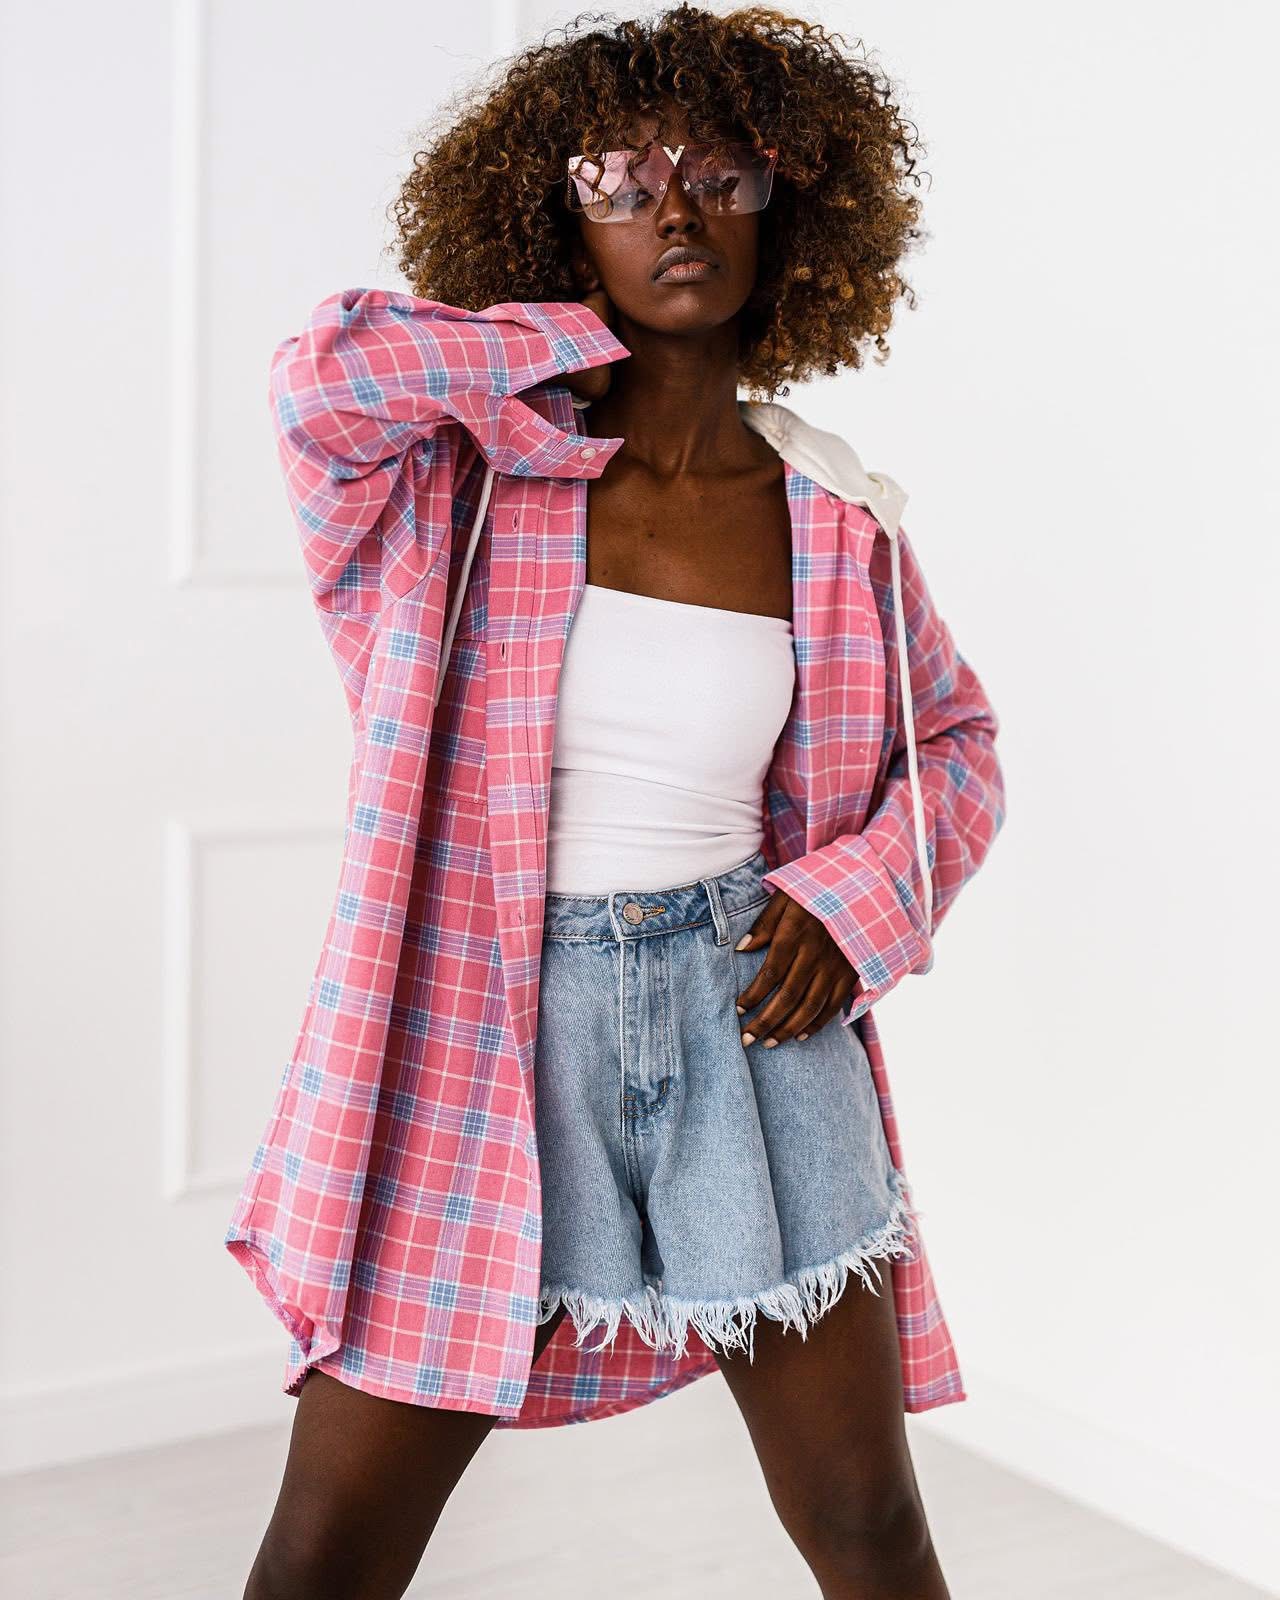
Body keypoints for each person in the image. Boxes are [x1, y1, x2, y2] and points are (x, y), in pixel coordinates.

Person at [228, 7, 1006, 1597]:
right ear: (554, 212)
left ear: (789, 206)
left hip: (755, 1023)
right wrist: (570, 332)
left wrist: (852, 906)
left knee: (867, 1524)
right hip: (483, 1032)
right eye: (619, 179)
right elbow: (323, 380)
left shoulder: (834, 518)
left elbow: (960, 749)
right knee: (328, 1553)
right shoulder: (453, 486)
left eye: (719, 174)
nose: (674, 210)